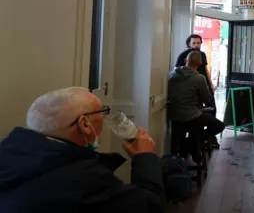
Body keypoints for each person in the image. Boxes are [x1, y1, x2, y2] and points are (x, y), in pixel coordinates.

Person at [0, 87, 164, 212]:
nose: (105, 118)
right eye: (102, 112)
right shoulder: (84, 178)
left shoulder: (9, 152)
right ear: (84, 124)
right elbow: (151, 205)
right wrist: (145, 157)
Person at [168, 51, 225, 150]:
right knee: (219, 126)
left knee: (194, 125)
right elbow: (207, 99)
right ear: (200, 64)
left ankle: (187, 145)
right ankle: (189, 144)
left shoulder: (172, 74)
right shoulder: (199, 78)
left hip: (173, 115)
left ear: (186, 60)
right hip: (191, 115)